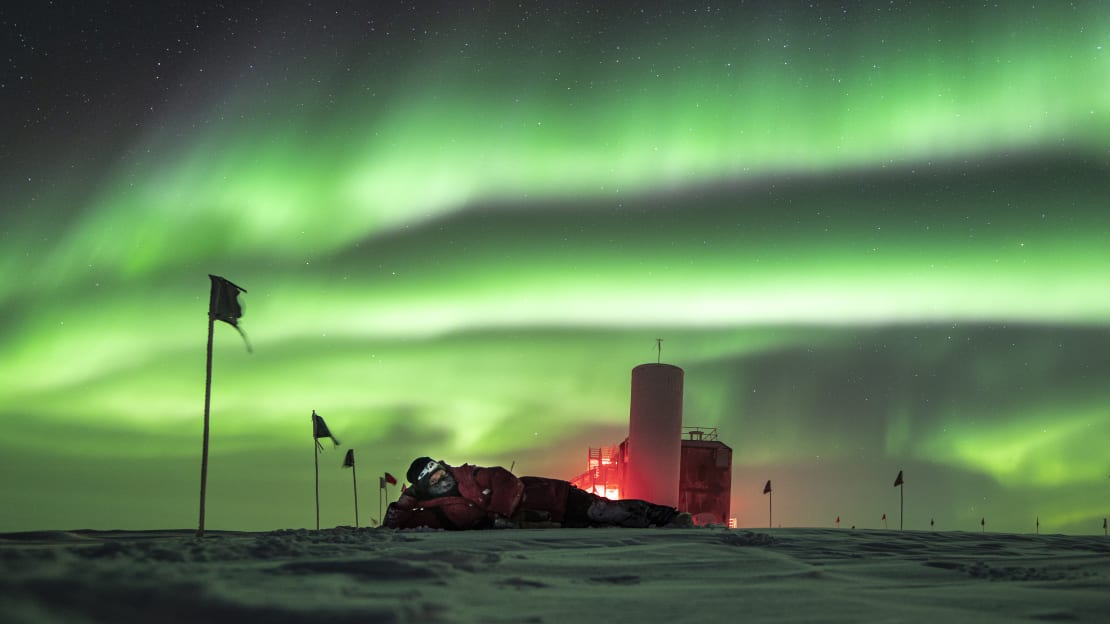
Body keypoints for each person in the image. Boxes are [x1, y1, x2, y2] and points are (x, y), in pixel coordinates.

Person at [383, 457, 692, 530]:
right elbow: (396, 523)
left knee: (605, 511)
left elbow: (506, 481)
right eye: (431, 479)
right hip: (546, 522)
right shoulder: (440, 508)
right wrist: (407, 497)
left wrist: (500, 516)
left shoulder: (471, 474)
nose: (439, 479)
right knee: (600, 524)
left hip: (550, 497)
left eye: (439, 471)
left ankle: (667, 518)